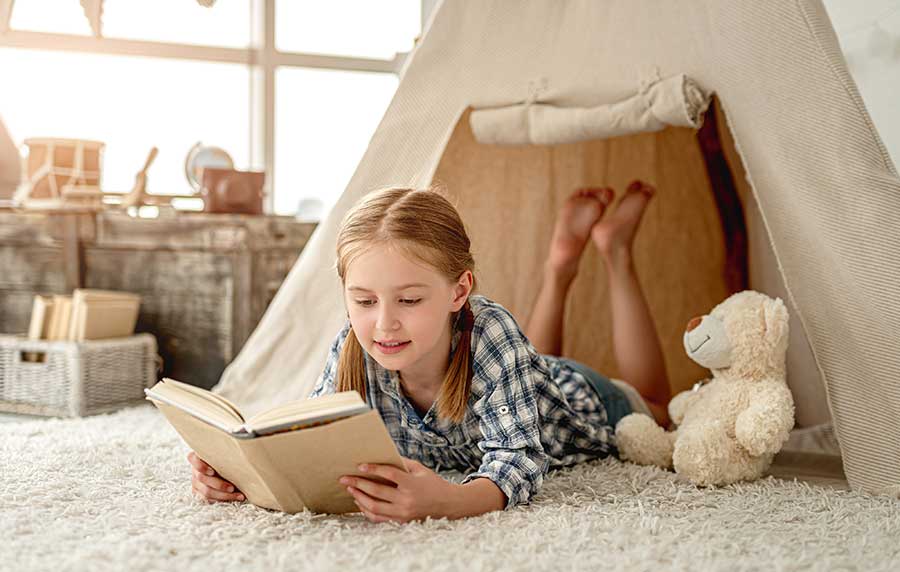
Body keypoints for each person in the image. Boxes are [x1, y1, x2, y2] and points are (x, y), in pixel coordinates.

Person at [187, 182, 671, 522]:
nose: (384, 323)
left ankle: (614, 251)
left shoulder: (492, 331)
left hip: (579, 397)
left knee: (660, 408)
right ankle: (562, 261)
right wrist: (235, 475)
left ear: (459, 292)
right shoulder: (354, 345)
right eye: (363, 300)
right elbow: (311, 437)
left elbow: (520, 460)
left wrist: (448, 501)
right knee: (530, 358)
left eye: (410, 300)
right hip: (523, 374)